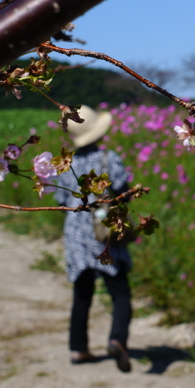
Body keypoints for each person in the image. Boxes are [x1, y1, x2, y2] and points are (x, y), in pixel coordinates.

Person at [52, 106, 133, 373]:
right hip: (104, 230)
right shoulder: (109, 158)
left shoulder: (67, 163)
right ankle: (117, 340)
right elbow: (122, 192)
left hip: (76, 233)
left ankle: (79, 350)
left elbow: (61, 199)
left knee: (82, 294)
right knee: (120, 291)